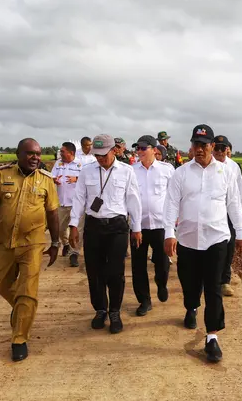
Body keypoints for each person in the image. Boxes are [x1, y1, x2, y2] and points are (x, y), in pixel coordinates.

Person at [163, 124, 242, 363]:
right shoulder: (181, 173)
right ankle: (191, 306)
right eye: (195, 145)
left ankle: (212, 337)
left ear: (212, 146)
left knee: (213, 288)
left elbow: (233, 204)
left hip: (217, 238)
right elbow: (170, 204)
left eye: (204, 145)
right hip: (188, 239)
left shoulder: (226, 172)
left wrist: (240, 233)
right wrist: (169, 233)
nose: (199, 149)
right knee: (190, 284)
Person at [0, 138, 61, 362]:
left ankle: (19, 339)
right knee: (1, 283)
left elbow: (53, 213)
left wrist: (55, 243)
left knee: (27, 290)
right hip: (5, 242)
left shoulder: (47, 180)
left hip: (33, 243)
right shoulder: (1, 175)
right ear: (18, 154)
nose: (35, 157)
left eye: (38, 153)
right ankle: (21, 311)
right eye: (30, 153)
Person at [69, 134, 142, 334]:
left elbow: (134, 200)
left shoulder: (126, 171)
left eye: (103, 154)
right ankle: (100, 309)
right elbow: (79, 198)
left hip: (117, 227)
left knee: (115, 273)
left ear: (114, 150)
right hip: (93, 226)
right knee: (94, 271)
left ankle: (115, 312)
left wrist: (136, 228)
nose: (100, 158)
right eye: (97, 155)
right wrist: (74, 224)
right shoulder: (86, 171)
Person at [131, 135, 175, 316]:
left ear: (153, 149)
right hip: (138, 226)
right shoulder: (131, 171)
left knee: (162, 262)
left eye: (142, 148)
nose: (139, 152)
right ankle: (144, 300)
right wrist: (133, 226)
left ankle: (161, 282)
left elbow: (174, 197)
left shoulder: (167, 170)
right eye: (137, 148)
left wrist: (175, 220)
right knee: (138, 265)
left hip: (160, 225)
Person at [212, 135, 242, 297]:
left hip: (230, 212)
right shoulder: (205, 166)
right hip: (213, 212)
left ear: (227, 150)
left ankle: (224, 281)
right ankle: (207, 278)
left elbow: (240, 188)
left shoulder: (234, 166)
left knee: (229, 247)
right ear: (212, 148)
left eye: (224, 149)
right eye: (217, 148)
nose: (220, 152)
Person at [51, 142, 84, 267]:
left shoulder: (81, 165)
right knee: (59, 228)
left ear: (71, 153)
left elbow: (88, 180)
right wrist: (54, 179)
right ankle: (65, 244)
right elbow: (52, 175)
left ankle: (74, 253)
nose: (61, 153)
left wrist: (77, 179)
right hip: (61, 202)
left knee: (77, 230)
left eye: (63, 151)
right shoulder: (58, 163)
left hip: (77, 203)